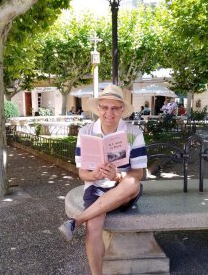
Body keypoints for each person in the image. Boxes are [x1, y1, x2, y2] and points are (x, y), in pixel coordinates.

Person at [58, 84, 147, 275]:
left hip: (123, 188)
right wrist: (94, 175)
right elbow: (82, 173)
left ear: (122, 110)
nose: (109, 113)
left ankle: (77, 220)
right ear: (98, 108)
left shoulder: (134, 133)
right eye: (105, 107)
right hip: (97, 187)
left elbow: (139, 172)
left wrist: (118, 175)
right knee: (93, 229)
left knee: (132, 183)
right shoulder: (86, 132)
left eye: (115, 108)